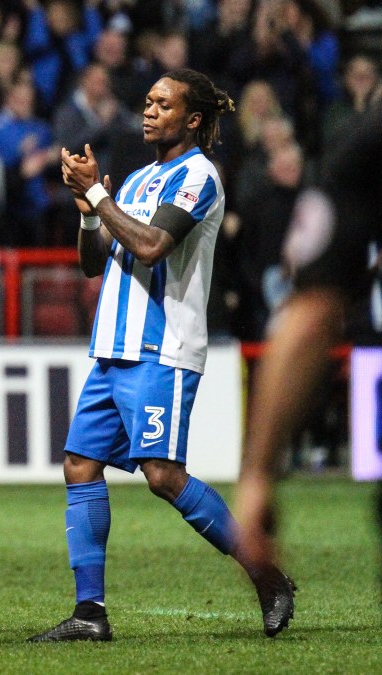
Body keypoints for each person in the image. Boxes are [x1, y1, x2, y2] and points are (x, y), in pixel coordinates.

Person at [28, 68, 295, 643]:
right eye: (146, 101)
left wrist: (100, 193)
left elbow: (151, 246)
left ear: (192, 119)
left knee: (163, 475)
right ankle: (89, 613)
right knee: (79, 463)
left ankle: (266, 573)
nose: (148, 110)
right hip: (113, 347)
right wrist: (86, 208)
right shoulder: (139, 178)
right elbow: (94, 261)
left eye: (162, 104)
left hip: (162, 347)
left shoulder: (199, 176)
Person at [234, 102, 382, 583]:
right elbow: (312, 311)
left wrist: (257, 475)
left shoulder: (362, 145)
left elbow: (310, 316)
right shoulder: (364, 146)